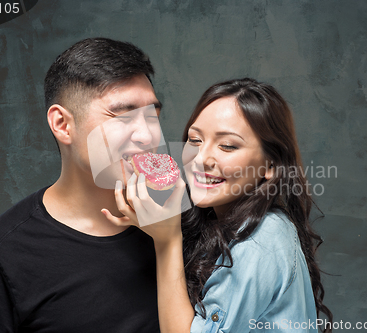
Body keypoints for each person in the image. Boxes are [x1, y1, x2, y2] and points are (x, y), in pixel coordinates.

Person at [0, 38, 163, 332]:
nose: (147, 135)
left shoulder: (180, 219)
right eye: (122, 115)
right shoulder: (0, 255)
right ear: (62, 124)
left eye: (152, 114)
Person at [104, 78, 333, 332]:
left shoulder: (262, 239)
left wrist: (167, 241)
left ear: (271, 165)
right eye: (195, 140)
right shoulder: (218, 223)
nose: (201, 159)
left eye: (227, 145)